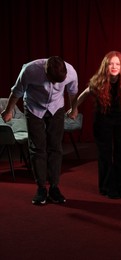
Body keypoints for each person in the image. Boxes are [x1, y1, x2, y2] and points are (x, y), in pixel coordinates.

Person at [1, 56, 78, 205]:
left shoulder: (71, 72)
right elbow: (16, 91)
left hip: (56, 107)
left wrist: (74, 109)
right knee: (37, 148)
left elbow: (73, 92)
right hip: (34, 107)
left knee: (55, 147)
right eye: (51, 80)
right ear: (45, 72)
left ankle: (54, 187)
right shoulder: (30, 70)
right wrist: (8, 110)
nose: (54, 84)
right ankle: (41, 188)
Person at [67, 51, 121, 199]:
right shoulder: (98, 80)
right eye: (111, 64)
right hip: (103, 120)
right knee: (105, 154)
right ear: (105, 66)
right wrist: (74, 107)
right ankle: (106, 187)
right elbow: (84, 93)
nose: (114, 66)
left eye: (117, 64)